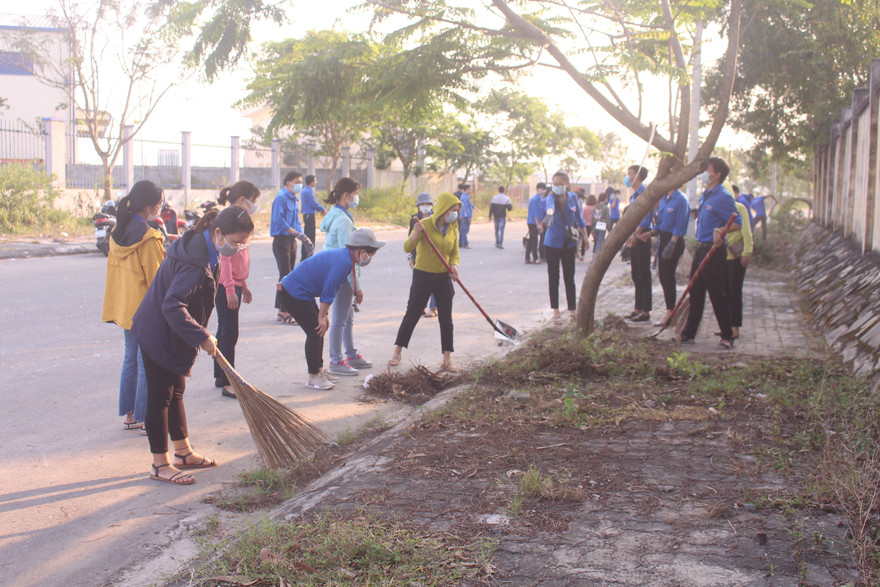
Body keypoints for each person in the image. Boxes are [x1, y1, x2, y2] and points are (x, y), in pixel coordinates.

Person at [132, 206, 254, 485]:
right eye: (234, 242)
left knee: (176, 392)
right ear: (218, 232)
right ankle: (159, 464)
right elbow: (172, 305)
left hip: (172, 332)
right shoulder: (194, 261)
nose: (236, 248)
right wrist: (201, 336)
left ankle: (183, 453)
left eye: (242, 243)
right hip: (157, 332)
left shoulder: (203, 245)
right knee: (160, 398)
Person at [279, 228, 385, 390]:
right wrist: (322, 316)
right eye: (369, 255)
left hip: (300, 292)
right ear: (362, 251)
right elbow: (328, 291)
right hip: (293, 292)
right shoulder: (343, 262)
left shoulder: (345, 257)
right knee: (315, 331)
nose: (368, 259)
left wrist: (323, 316)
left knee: (319, 330)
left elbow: (328, 291)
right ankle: (313, 376)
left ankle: (319, 371)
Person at [101, 180, 166, 431]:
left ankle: (130, 415)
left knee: (131, 359)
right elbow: (157, 279)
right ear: (149, 206)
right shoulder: (149, 237)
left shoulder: (117, 233)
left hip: (124, 307)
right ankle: (144, 416)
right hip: (145, 309)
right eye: (159, 205)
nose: (160, 209)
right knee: (146, 362)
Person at [389, 191, 462, 373]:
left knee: (446, 319)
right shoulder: (425, 225)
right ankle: (397, 352)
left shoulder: (453, 226)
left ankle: (446, 359)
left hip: (443, 277)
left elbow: (454, 252)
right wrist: (416, 234)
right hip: (423, 275)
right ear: (444, 209)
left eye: (457, 211)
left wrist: (454, 265)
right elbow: (407, 246)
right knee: (412, 315)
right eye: (453, 210)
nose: (455, 214)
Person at [678, 156, 742, 350]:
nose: (704, 173)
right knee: (695, 292)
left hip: (714, 252)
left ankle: (727, 335)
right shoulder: (706, 194)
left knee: (717, 294)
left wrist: (721, 230)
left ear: (717, 174)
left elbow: (736, 223)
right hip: (700, 248)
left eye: (708, 169)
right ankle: (689, 333)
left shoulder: (723, 196)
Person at [319, 177, 373, 376]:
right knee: (340, 320)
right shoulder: (342, 221)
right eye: (355, 193)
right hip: (341, 275)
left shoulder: (337, 215)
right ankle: (336, 361)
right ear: (345, 195)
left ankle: (350, 354)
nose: (356, 198)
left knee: (348, 319)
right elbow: (349, 257)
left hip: (338, 272)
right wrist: (356, 286)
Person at [213, 181, 260, 399]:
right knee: (229, 334)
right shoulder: (231, 225)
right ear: (243, 199)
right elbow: (227, 262)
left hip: (235, 285)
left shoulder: (241, 222)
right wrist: (231, 289)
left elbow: (240, 262)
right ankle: (228, 381)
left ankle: (220, 376)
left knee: (224, 331)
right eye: (254, 200)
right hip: (226, 288)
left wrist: (244, 285)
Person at [543, 171, 588, 325]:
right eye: (554, 184)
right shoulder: (551, 197)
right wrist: (549, 216)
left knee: (570, 277)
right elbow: (550, 208)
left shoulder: (573, 197)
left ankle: (573, 310)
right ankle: (556, 312)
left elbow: (580, 219)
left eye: (559, 184)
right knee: (553, 277)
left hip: (569, 243)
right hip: (552, 243)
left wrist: (586, 238)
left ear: (567, 184)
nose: (556, 187)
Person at [270, 171, 311, 324]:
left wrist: (303, 236)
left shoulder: (293, 199)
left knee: (287, 276)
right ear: (288, 183)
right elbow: (279, 221)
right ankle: (286, 311)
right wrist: (295, 232)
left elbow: (296, 221)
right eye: (297, 181)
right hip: (281, 240)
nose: (299, 184)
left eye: (301, 181)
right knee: (285, 276)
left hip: (291, 240)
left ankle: (282, 310)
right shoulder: (281, 198)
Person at [651, 186, 690, 326]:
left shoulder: (681, 200)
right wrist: (651, 232)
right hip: (663, 239)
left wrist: (672, 243)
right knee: (662, 276)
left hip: (674, 241)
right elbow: (660, 221)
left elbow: (680, 224)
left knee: (668, 276)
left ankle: (670, 312)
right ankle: (670, 309)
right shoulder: (664, 199)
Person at [623, 165, 653, 323]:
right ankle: (637, 308)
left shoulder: (646, 194)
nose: (628, 177)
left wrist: (636, 234)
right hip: (634, 237)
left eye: (631, 174)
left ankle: (645, 310)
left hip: (642, 237)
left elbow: (646, 218)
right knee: (636, 274)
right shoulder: (634, 196)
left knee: (643, 274)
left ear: (639, 176)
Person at [726, 200, 754, 340]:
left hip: (735, 257)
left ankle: (735, 328)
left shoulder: (739, 207)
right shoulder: (717, 207)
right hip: (721, 256)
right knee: (724, 293)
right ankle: (726, 327)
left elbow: (747, 231)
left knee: (734, 292)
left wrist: (747, 251)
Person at [410, 192, 438, 317]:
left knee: (434, 283)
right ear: (418, 206)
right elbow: (410, 238)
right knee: (419, 284)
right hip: (419, 256)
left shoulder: (436, 218)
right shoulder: (414, 219)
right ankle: (420, 306)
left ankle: (433, 307)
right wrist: (411, 257)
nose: (425, 206)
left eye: (428, 204)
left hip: (434, 255)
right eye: (423, 204)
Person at [300, 174, 326, 245]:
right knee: (310, 235)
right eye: (315, 180)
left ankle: (306, 254)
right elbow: (313, 204)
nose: (316, 182)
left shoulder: (306, 190)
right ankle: (308, 253)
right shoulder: (308, 191)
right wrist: (322, 209)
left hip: (307, 215)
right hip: (309, 215)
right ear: (311, 182)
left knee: (308, 234)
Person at [525, 182, 546, 264]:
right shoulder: (534, 199)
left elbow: (540, 212)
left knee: (531, 239)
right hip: (532, 222)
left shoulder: (541, 199)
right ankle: (535, 257)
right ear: (537, 189)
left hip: (537, 221)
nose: (543, 191)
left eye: (544, 189)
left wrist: (541, 223)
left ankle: (527, 257)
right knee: (534, 240)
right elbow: (534, 213)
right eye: (542, 189)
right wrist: (538, 223)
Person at [579, 192, 595, 261]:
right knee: (596, 240)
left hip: (586, 225)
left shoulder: (585, 208)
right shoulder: (595, 208)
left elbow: (582, 217)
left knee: (584, 239)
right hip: (594, 225)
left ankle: (582, 255)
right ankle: (594, 254)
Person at [458, 184, 474, 249]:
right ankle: (465, 244)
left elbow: (468, 205)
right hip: (465, 216)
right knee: (465, 230)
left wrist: (473, 207)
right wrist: (469, 217)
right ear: (466, 189)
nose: (471, 190)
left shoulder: (465, 196)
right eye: (470, 189)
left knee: (462, 229)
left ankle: (461, 243)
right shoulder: (464, 197)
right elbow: (465, 208)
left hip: (463, 215)